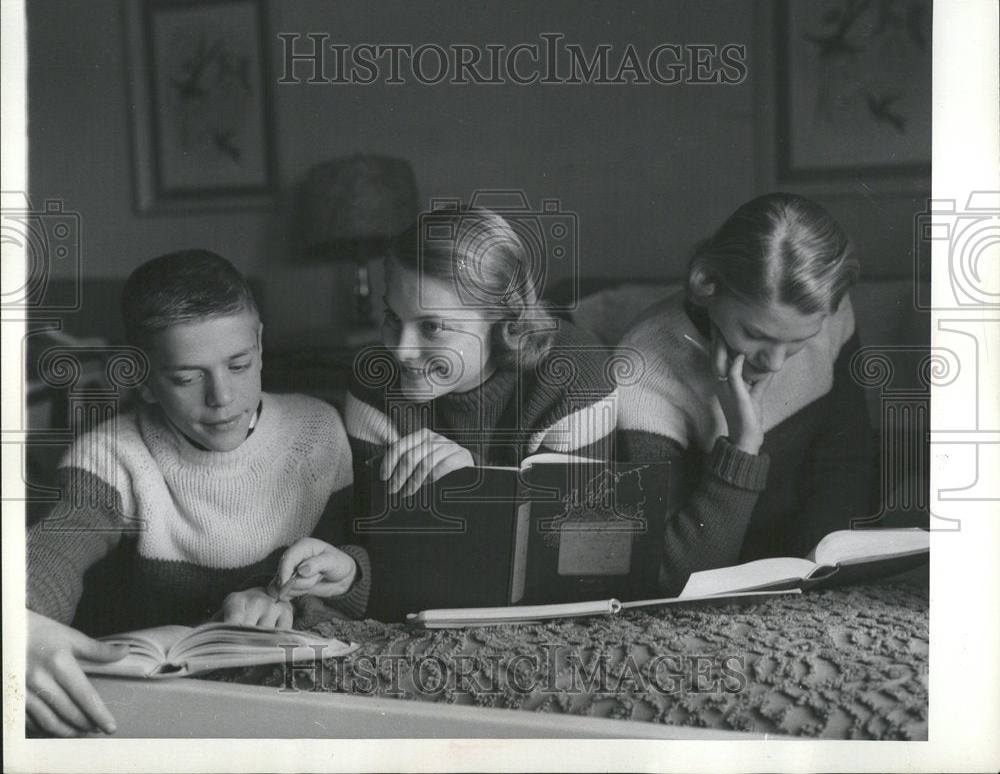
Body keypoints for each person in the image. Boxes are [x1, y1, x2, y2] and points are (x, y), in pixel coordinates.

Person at [26, 249, 369, 737]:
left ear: (261, 345)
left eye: (239, 364)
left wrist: (291, 602)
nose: (221, 397)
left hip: (280, 701)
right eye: (187, 378)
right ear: (143, 380)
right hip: (147, 707)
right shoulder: (108, 456)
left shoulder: (318, 430)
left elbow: (343, 572)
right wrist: (19, 617)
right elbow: (53, 551)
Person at [616, 193, 874, 594]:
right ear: (706, 283)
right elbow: (669, 578)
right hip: (713, 586)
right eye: (755, 334)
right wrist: (742, 447)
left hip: (799, 579)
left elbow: (845, 461)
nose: (774, 363)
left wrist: (823, 573)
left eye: (798, 341)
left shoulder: (829, 313)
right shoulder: (640, 370)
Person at [345, 205, 616, 497]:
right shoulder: (373, 383)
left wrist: (476, 479)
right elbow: (375, 532)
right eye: (393, 318)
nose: (400, 350)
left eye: (432, 327)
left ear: (504, 321)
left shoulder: (577, 382)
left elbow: (565, 534)